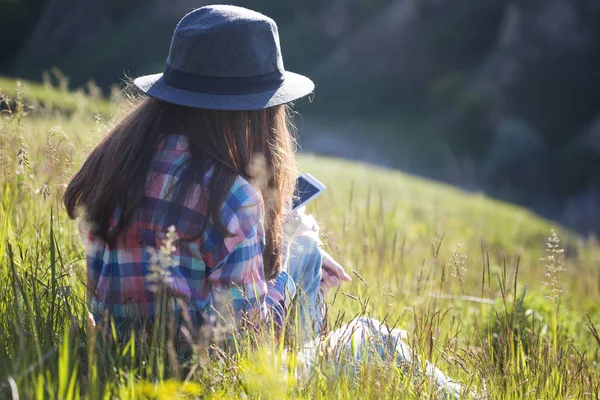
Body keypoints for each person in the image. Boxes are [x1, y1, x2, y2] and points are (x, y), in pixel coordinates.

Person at [64, 5, 465, 398]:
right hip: (207, 384)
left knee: (302, 248)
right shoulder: (231, 197)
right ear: (255, 113)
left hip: (124, 367)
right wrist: (293, 264)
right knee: (374, 338)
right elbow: (242, 347)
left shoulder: (114, 168)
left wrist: (294, 254)